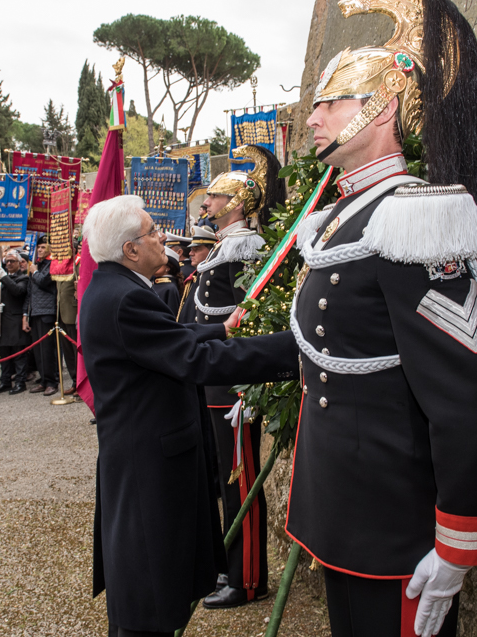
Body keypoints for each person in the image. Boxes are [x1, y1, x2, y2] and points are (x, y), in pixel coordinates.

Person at [284, 0, 477, 637]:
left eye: (328, 103)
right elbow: (330, 345)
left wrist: (458, 541)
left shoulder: (416, 219)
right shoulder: (344, 217)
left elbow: (472, 397)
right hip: (347, 516)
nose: (313, 119)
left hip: (394, 529)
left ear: (381, 108)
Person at [80, 195, 298, 637]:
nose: (163, 238)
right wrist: (294, 349)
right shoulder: (125, 297)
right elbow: (194, 360)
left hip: (142, 453)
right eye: (151, 232)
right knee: (149, 594)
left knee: (157, 577)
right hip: (148, 465)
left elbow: (170, 335)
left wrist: (220, 327)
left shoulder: (115, 286)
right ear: (130, 250)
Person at [194, 145, 286, 609]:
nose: (206, 205)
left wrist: (250, 386)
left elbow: (252, 320)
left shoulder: (244, 249)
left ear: (232, 203)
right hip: (215, 384)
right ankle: (230, 568)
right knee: (222, 479)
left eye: (212, 198)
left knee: (239, 481)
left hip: (233, 387)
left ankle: (248, 578)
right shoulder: (224, 249)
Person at [0, 250, 30, 395]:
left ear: (19, 263)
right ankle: (5, 381)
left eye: (12, 261)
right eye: (7, 261)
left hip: (15, 320)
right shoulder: (0, 280)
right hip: (1, 321)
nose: (9, 264)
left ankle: (20, 381)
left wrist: (5, 278)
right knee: (4, 354)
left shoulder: (23, 278)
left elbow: (18, 291)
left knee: (18, 354)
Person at [25, 238, 59, 396]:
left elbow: (44, 281)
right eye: (38, 247)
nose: (39, 249)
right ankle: (44, 379)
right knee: (38, 350)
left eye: (43, 247)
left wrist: (35, 272)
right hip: (36, 310)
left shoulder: (51, 263)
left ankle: (52, 381)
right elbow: (29, 291)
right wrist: (26, 313)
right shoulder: (37, 264)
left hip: (47, 310)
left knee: (47, 349)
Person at [176, 226, 216, 325]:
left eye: (196, 249)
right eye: (191, 249)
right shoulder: (194, 277)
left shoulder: (214, 278)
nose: (190, 253)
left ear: (211, 251)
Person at [151, 247, 183, 313]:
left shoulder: (169, 288)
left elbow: (172, 314)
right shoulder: (157, 284)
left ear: (168, 268)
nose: (154, 264)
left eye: (158, 262)